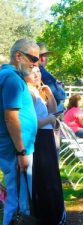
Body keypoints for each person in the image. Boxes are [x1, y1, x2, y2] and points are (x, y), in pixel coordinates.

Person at [0, 39, 39, 225]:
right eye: (32, 58)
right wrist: (21, 152)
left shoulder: (8, 75)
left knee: (18, 197)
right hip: (15, 150)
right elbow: (11, 117)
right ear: (18, 56)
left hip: (15, 148)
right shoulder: (12, 79)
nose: (35, 63)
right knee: (17, 201)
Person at [25, 67, 66, 225]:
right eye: (33, 71)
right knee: (44, 179)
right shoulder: (27, 93)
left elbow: (54, 112)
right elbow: (31, 123)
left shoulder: (38, 91)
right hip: (39, 140)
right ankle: (46, 216)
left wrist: (49, 94)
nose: (37, 75)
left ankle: (55, 215)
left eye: (38, 72)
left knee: (51, 177)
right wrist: (49, 119)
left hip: (47, 138)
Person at [37, 43, 66, 111]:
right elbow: (60, 96)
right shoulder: (41, 72)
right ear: (42, 58)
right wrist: (60, 88)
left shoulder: (29, 70)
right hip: (46, 113)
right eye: (47, 56)